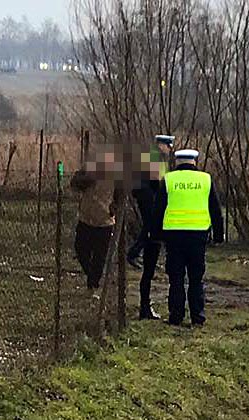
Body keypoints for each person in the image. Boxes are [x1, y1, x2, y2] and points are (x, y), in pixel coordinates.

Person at [150, 149, 224, 326]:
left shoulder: (169, 180)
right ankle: (198, 316)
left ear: (177, 162)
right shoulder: (205, 179)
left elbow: (158, 210)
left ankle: (176, 316)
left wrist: (155, 234)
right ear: (194, 161)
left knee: (176, 278)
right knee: (196, 278)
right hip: (198, 235)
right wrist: (219, 235)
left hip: (174, 236)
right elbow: (215, 209)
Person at [128, 134, 173, 320]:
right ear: (162, 145)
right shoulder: (155, 156)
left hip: (142, 196)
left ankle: (135, 251)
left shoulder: (148, 154)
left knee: (149, 230)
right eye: (168, 146)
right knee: (150, 229)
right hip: (148, 199)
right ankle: (134, 252)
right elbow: (158, 180)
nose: (170, 149)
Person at [70, 151, 120, 298]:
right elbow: (75, 183)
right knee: (80, 250)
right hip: (86, 219)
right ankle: (91, 276)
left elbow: (121, 196)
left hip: (104, 222)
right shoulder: (88, 170)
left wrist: (113, 209)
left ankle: (93, 285)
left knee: (100, 257)